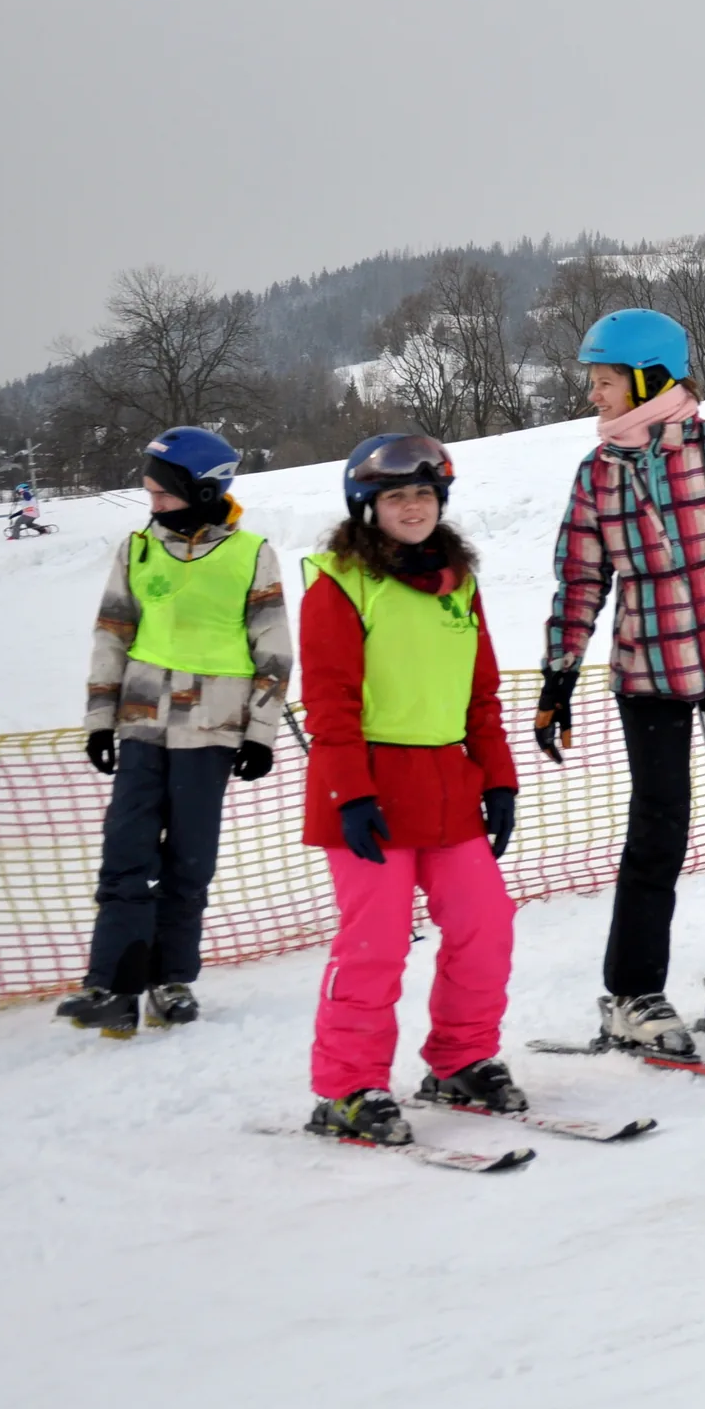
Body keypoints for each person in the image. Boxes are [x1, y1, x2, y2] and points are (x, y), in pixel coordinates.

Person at [537, 307, 705, 1056]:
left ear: (648, 378)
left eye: (603, 382)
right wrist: (558, 674)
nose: (593, 395)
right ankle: (633, 995)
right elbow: (580, 576)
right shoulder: (598, 472)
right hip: (648, 670)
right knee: (659, 833)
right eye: (592, 382)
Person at [299, 435, 522, 1147]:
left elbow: (481, 694)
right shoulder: (340, 581)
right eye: (396, 496)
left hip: (449, 785)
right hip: (369, 788)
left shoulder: (460, 582)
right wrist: (350, 794)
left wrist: (500, 781)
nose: (413, 506)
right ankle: (348, 1088)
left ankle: (460, 1059)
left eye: (424, 494)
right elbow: (329, 701)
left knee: (486, 924)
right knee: (376, 944)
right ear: (368, 507)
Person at [56, 428, 289, 1036]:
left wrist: (260, 732)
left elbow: (274, 650)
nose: (150, 500)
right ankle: (112, 984)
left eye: (161, 492)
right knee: (125, 853)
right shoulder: (137, 550)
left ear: (200, 488)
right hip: (141, 726)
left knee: (189, 860)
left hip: (210, 731)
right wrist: (100, 720)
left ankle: (170, 979)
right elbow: (112, 637)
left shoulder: (251, 554)